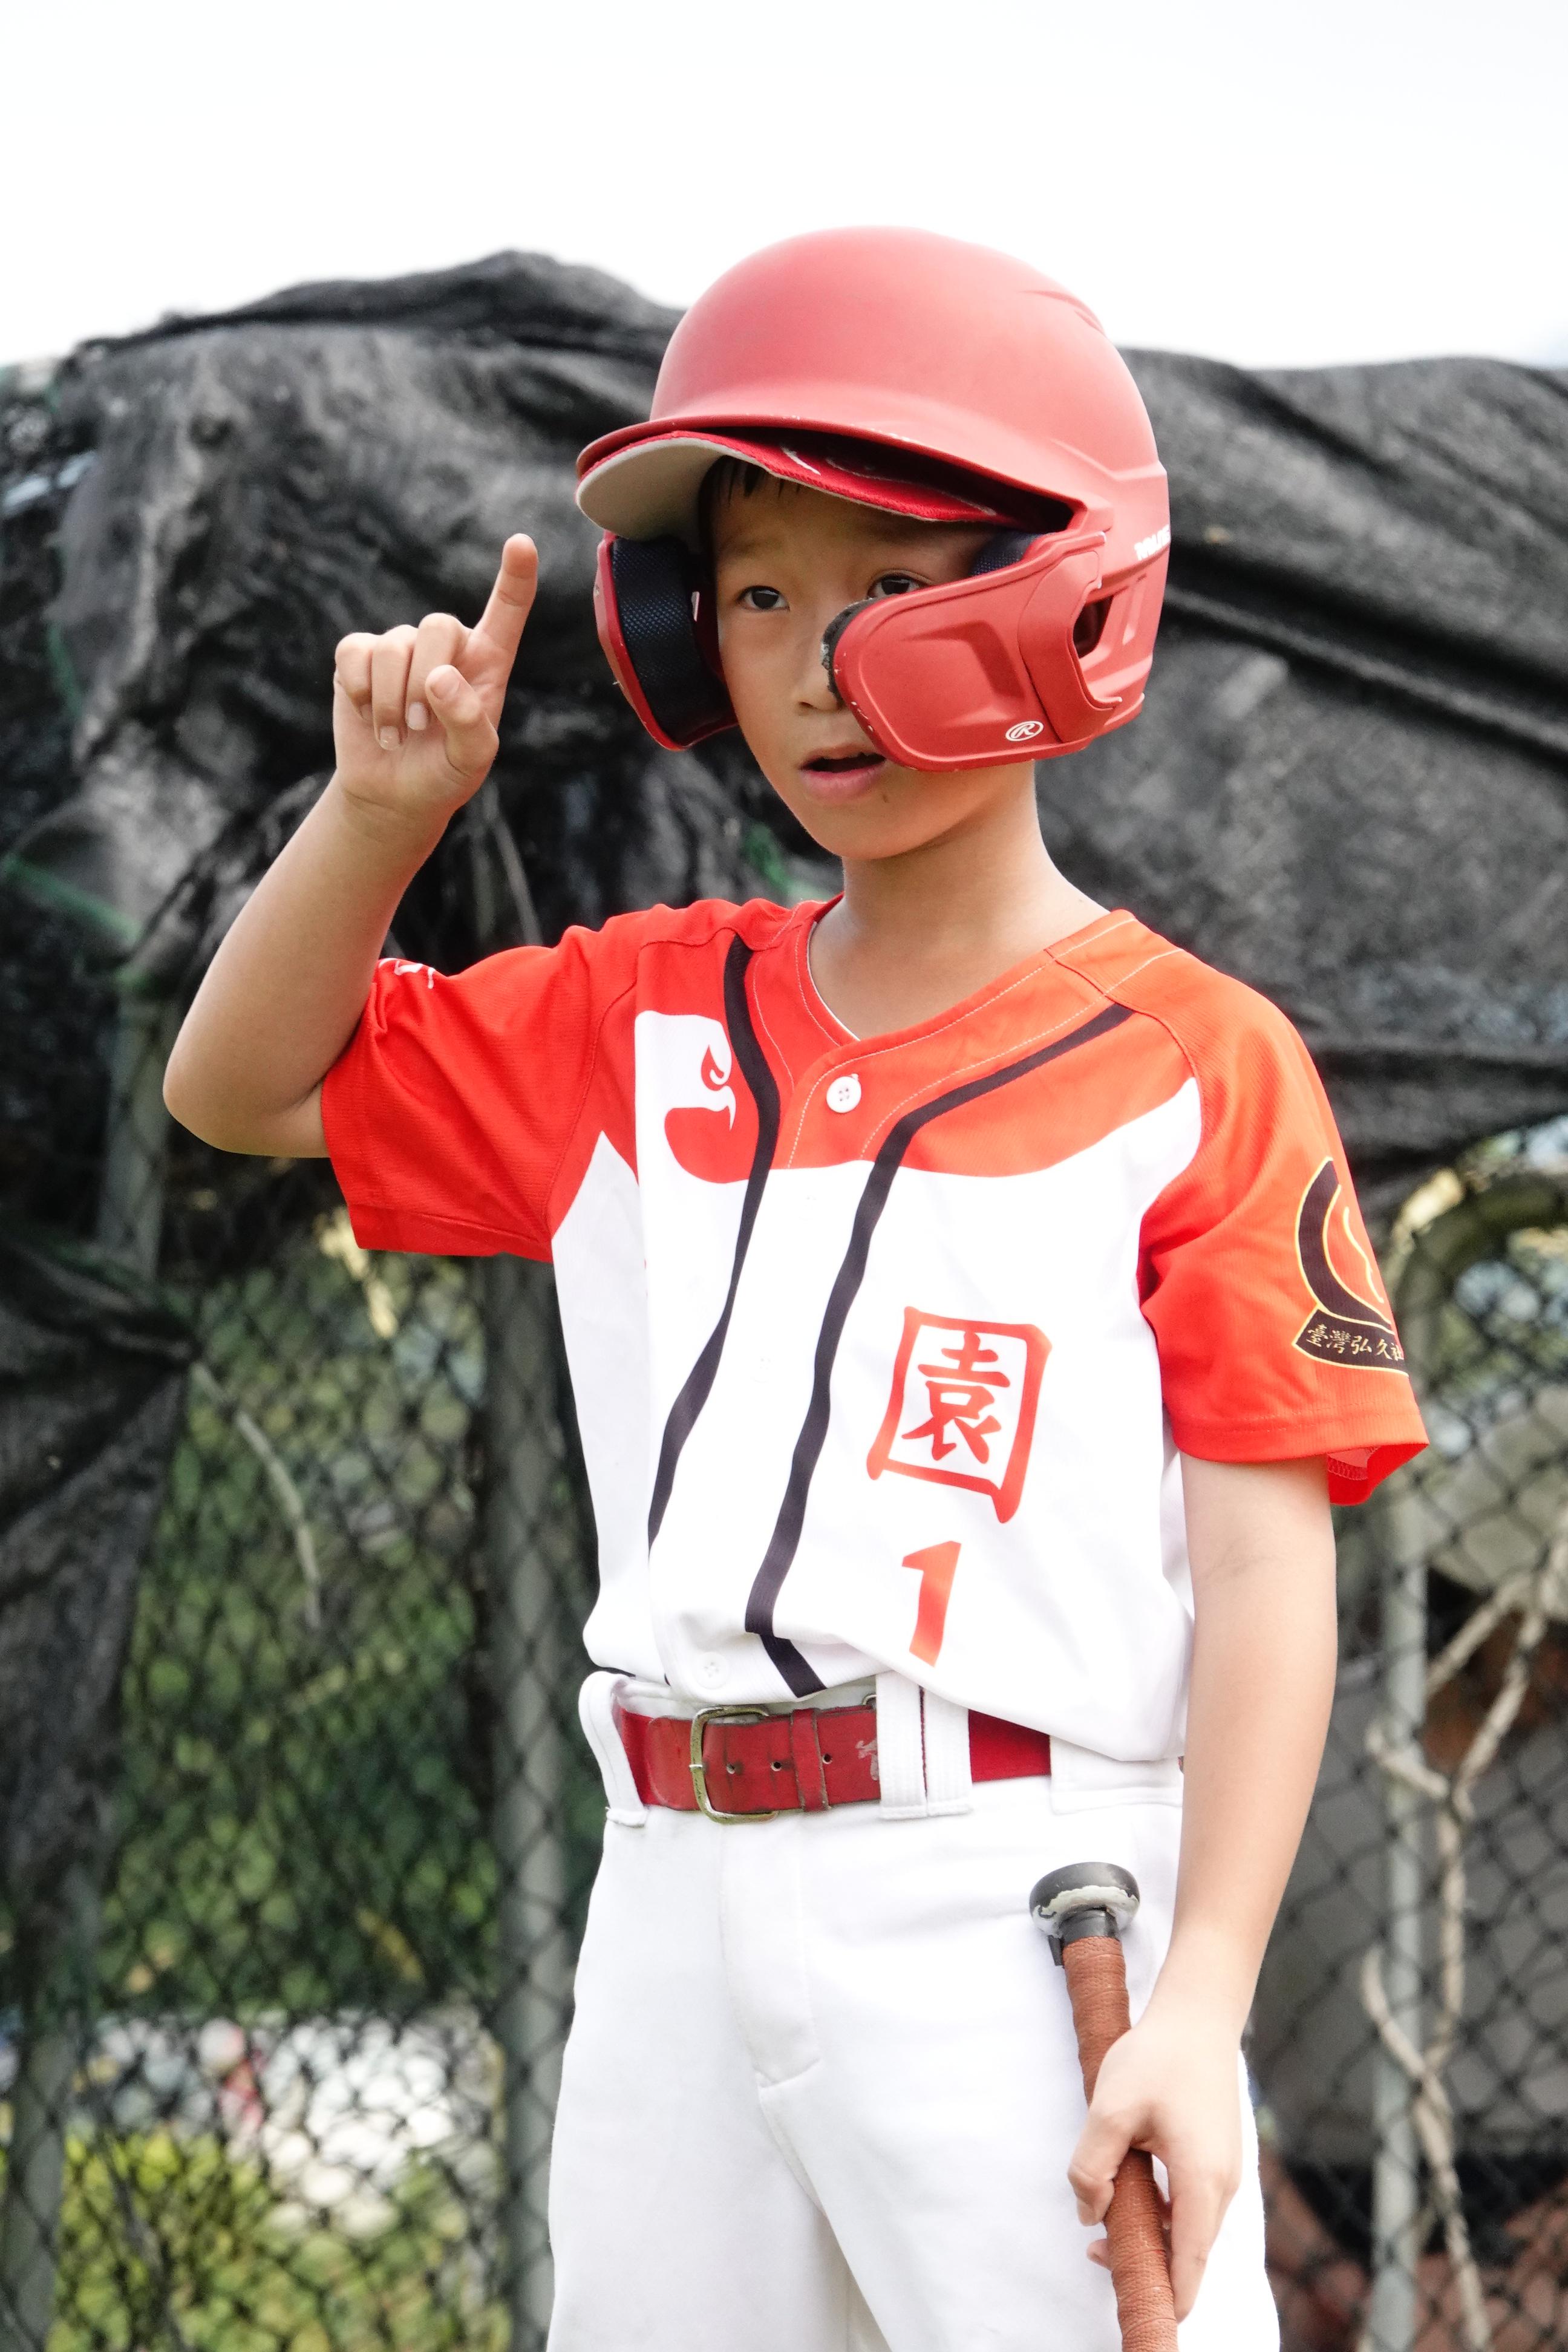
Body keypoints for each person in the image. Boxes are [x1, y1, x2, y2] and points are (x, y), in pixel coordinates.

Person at [163, 227, 1429, 2350]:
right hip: (673, 1883)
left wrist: (1203, 2002)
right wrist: (379, 819)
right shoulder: (639, 1016)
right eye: (756, 595)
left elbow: (1263, 1569)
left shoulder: (1195, 1061)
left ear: (1066, 593)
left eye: (893, 581)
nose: (820, 660)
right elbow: (241, 1086)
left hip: (1026, 1890)